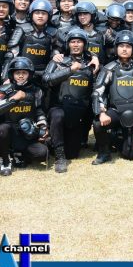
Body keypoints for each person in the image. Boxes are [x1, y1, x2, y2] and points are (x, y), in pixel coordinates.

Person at [91, 30, 133, 163]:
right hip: (116, 112)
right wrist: (101, 112)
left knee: (130, 155)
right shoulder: (109, 68)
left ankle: (116, 137)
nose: (124, 49)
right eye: (121, 46)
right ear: (116, 48)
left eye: (128, 46)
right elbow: (97, 92)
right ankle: (104, 152)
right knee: (98, 123)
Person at [43, 28, 96, 172]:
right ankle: (60, 157)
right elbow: (46, 80)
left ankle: (53, 141)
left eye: (79, 42)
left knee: (73, 153)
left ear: (84, 44)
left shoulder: (90, 65)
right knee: (58, 115)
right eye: (73, 42)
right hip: (58, 107)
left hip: (76, 113)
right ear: (68, 44)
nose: (76, 45)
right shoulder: (58, 61)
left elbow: (94, 89)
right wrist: (69, 70)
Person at [0, 57, 49, 175]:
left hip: (26, 132)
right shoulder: (2, 90)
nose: (21, 76)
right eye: (17, 73)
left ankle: (18, 155)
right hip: (6, 133)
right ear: (12, 74)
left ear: (30, 74)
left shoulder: (37, 91)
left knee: (42, 153)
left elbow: (39, 111)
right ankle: (5, 160)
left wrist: (43, 125)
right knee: (3, 129)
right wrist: (12, 100)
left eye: (24, 73)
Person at [4, 0, 59, 81]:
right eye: (37, 13)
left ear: (49, 15)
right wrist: (6, 78)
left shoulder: (54, 32)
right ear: (31, 14)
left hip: (44, 75)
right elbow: (11, 54)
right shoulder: (22, 29)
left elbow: (57, 52)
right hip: (22, 74)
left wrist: (57, 55)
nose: (40, 16)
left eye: (43, 13)